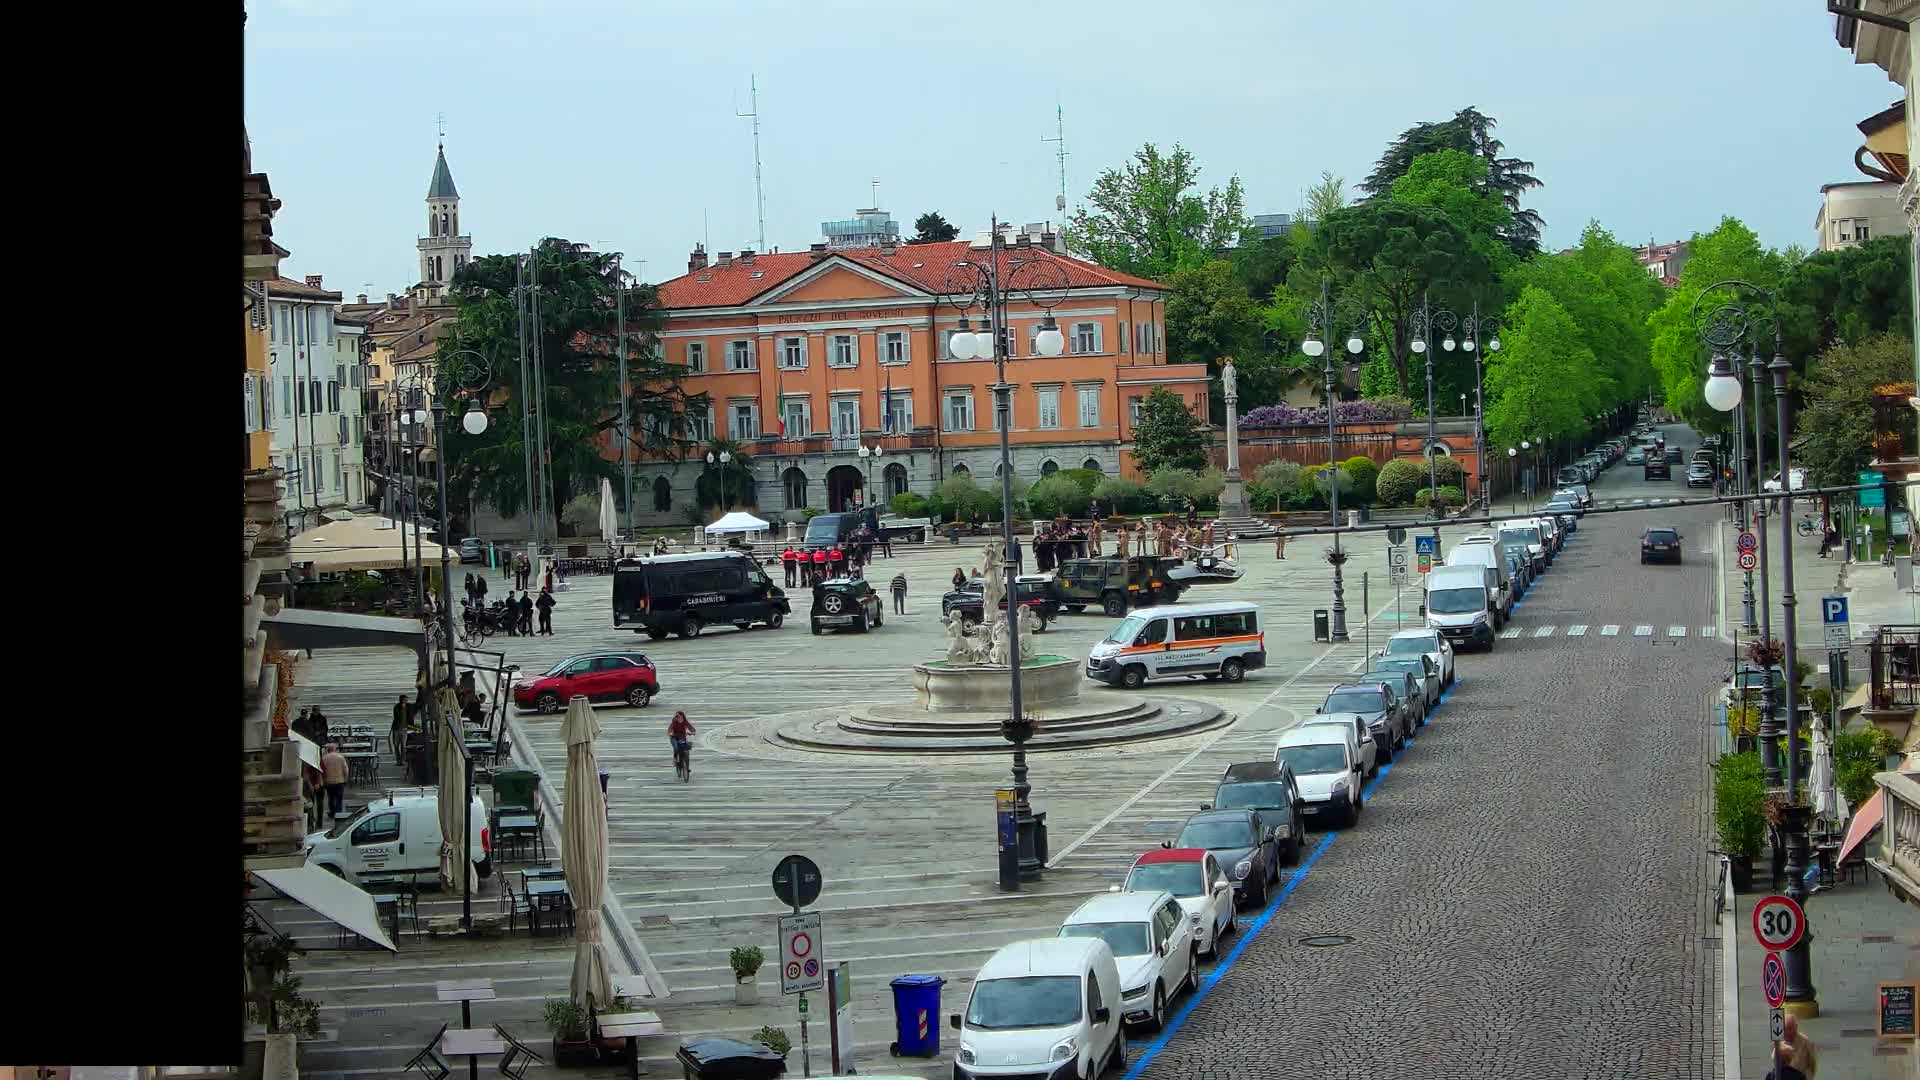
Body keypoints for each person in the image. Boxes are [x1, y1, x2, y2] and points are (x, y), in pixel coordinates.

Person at [1771, 1012, 1816, 1079]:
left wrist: (1808, 1078)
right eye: (1785, 1029)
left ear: (1796, 1027)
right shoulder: (1778, 1042)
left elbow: (1812, 1064)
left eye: (1790, 1028)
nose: (1788, 1032)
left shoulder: (1805, 1042)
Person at [319, 743, 349, 820]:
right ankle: (338, 813)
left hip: (329, 781)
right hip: (339, 780)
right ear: (335, 749)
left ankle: (332, 812)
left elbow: (321, 770)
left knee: (331, 797)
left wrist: (323, 780)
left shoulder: (324, 758)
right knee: (339, 798)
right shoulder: (340, 757)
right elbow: (346, 769)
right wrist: (345, 779)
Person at [668, 710, 695, 775]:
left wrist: (692, 732)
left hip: (682, 738)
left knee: (686, 752)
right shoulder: (674, 721)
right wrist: (670, 733)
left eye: (678, 716)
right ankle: (675, 759)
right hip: (674, 737)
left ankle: (687, 767)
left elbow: (691, 728)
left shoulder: (685, 721)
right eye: (676, 716)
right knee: (676, 748)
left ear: (682, 716)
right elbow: (670, 729)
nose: (677, 717)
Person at [391, 695, 410, 764]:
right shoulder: (397, 707)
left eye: (406, 699)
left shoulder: (408, 707)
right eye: (405, 699)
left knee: (403, 746)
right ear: (401, 700)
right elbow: (397, 717)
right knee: (396, 745)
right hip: (397, 729)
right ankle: (398, 760)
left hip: (404, 729)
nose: (406, 701)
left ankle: (402, 760)